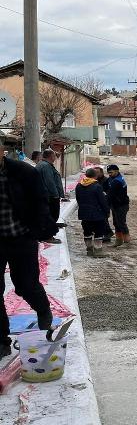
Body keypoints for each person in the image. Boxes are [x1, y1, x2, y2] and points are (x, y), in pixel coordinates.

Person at [0, 143, 56, 361]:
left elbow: (41, 203)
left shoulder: (23, 172)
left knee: (26, 285)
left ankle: (43, 310)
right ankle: (2, 339)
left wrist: (36, 230)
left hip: (22, 237)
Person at [75, 167, 111, 257]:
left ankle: (89, 250)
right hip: (97, 214)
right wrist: (107, 211)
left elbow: (78, 199)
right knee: (99, 232)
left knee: (87, 232)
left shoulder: (79, 186)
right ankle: (98, 251)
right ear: (95, 176)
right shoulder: (97, 186)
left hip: (84, 213)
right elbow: (102, 201)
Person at [36, 149, 66, 242]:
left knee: (48, 216)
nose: (55, 157)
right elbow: (50, 182)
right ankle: (48, 237)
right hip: (50, 196)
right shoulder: (45, 166)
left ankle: (44, 235)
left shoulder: (44, 165)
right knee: (51, 216)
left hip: (46, 196)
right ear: (50, 156)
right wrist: (56, 195)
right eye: (54, 156)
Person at [106, 164, 130, 246]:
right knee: (116, 222)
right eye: (108, 173)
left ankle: (126, 240)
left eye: (111, 172)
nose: (109, 174)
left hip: (121, 205)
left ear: (117, 171)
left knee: (121, 222)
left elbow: (110, 195)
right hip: (116, 204)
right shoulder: (113, 178)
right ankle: (119, 239)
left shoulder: (117, 181)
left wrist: (106, 205)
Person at [94, 166, 114, 243]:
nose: (96, 174)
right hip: (97, 203)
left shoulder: (106, 181)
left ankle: (107, 234)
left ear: (102, 173)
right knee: (101, 220)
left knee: (103, 219)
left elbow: (109, 192)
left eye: (98, 172)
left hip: (105, 203)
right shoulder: (95, 180)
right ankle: (106, 234)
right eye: (95, 172)